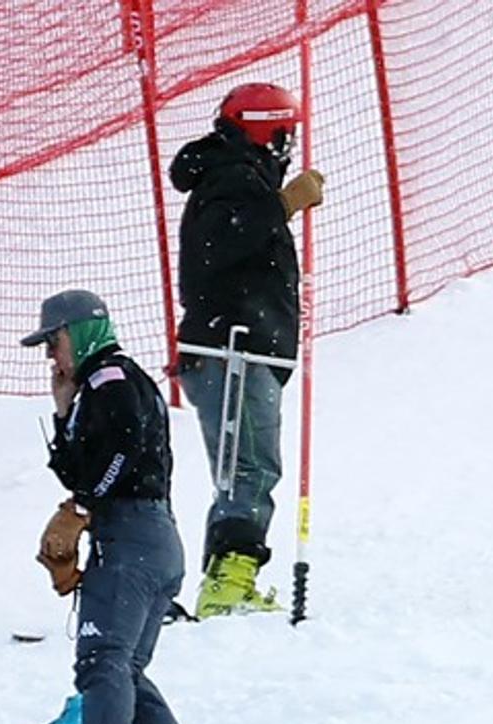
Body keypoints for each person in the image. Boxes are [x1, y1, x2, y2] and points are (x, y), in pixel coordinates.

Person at [27, 288, 195, 724]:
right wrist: (61, 413)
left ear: (75, 334)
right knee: (122, 664)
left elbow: (120, 452)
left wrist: (86, 503)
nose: (50, 357)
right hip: (151, 537)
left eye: (52, 343)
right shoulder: (100, 387)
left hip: (130, 537)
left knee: (102, 660)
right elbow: (81, 464)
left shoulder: (111, 380)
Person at [170, 81, 323, 619]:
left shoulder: (235, 174)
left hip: (241, 347)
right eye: (287, 134)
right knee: (251, 470)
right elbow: (218, 244)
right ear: (270, 130)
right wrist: (282, 205)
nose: (290, 146)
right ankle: (228, 584)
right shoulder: (233, 177)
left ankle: (227, 577)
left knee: (244, 469)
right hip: (233, 347)